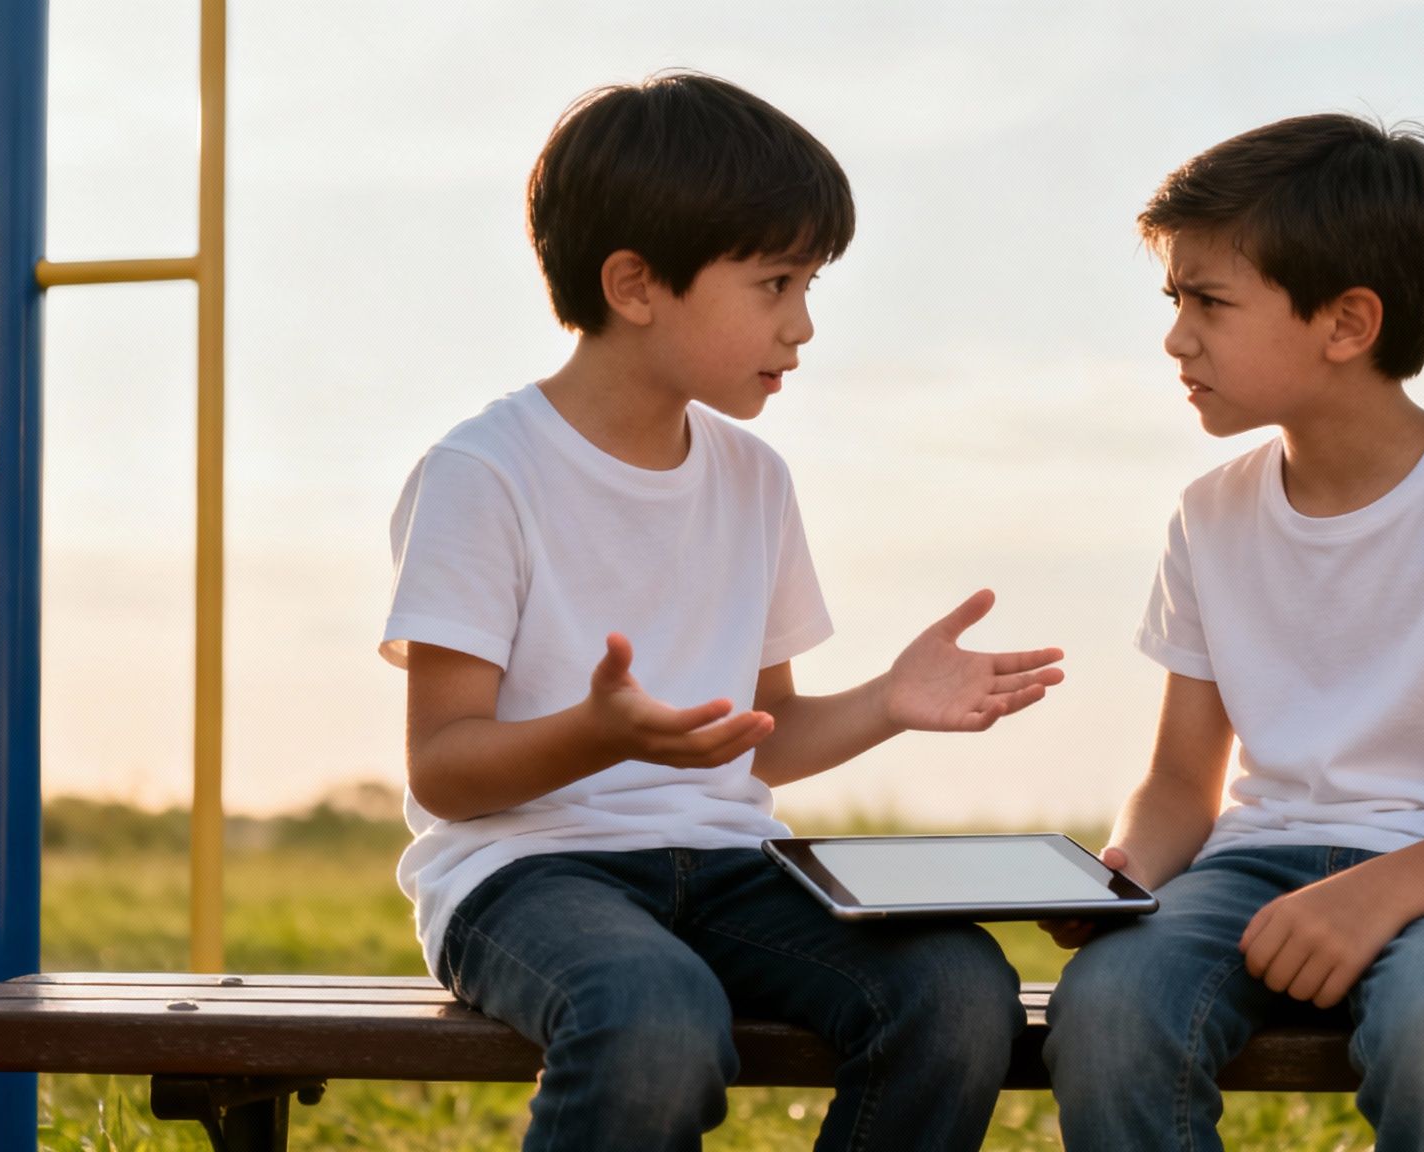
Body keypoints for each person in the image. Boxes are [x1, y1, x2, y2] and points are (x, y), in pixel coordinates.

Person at [380, 72, 1062, 1152]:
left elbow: (759, 743)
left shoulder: (752, 478)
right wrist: (591, 737)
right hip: (522, 875)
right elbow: (445, 770)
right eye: (775, 283)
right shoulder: (482, 473)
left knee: (955, 987)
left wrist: (888, 700)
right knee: (653, 1014)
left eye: (809, 285)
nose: (801, 325)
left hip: (733, 868)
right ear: (636, 285)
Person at [1042, 113, 1424, 1152]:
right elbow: (1184, 782)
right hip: (1252, 869)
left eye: (1209, 302)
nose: (1176, 336)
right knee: (1107, 1006)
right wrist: (1123, 877)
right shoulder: (1208, 514)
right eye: (1173, 300)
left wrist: (1371, 898)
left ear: (1347, 322)